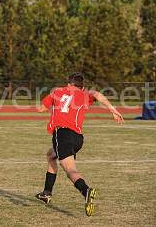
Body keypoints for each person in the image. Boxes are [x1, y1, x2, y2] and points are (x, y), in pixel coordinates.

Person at [35, 72, 124, 216]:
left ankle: (86, 190)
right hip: (78, 138)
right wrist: (113, 109)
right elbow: (96, 94)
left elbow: (40, 108)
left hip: (62, 134)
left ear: (69, 83)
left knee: (70, 170)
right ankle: (46, 193)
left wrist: (52, 106)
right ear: (81, 86)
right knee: (51, 155)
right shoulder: (83, 94)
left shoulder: (57, 91)